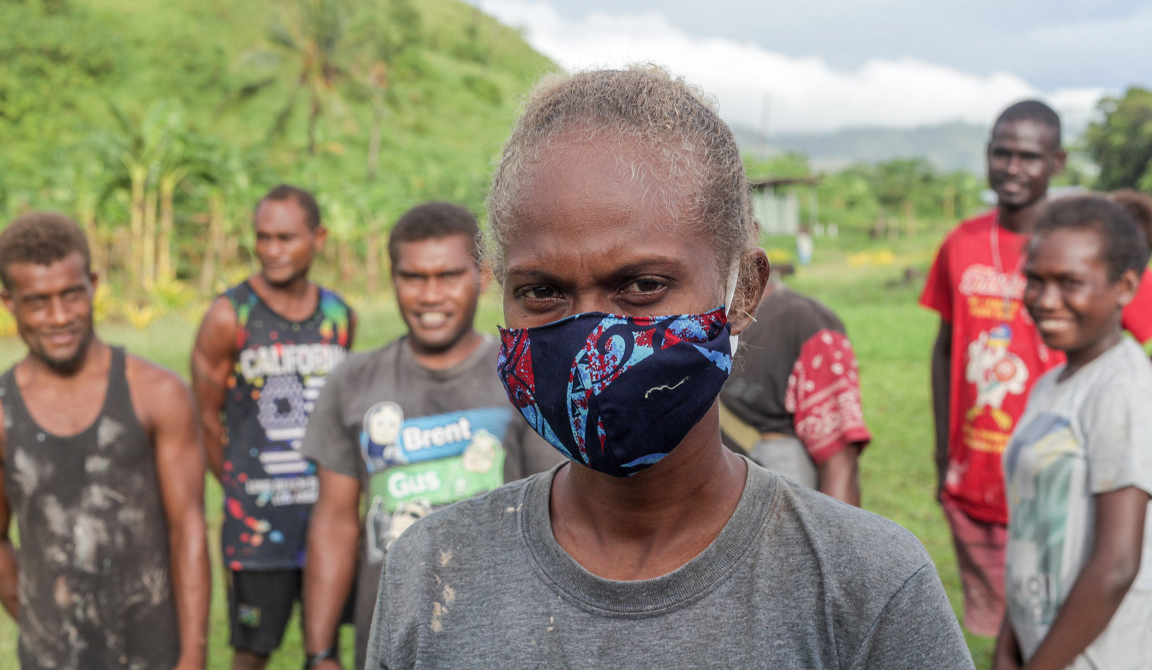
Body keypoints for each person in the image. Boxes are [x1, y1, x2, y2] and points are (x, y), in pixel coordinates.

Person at [366, 67, 972, 669]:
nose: (590, 341)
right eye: (543, 291)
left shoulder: (867, 586)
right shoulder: (431, 571)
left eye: (642, 285)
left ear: (744, 292)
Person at [920, 100, 1152, 636]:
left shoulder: (1082, 249)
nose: (1012, 168)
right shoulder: (962, 244)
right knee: (1007, 625)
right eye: (1001, 154)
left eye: (1028, 156)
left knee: (1067, 617)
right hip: (974, 472)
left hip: (1062, 471)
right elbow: (944, 347)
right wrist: (942, 450)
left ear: (1058, 163)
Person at [300, 201, 553, 669]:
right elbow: (334, 522)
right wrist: (320, 653)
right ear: (392, 278)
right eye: (413, 277)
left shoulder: (524, 376)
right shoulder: (353, 383)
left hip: (508, 638)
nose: (430, 295)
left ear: (482, 275)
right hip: (392, 638)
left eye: (447, 276)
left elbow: (561, 515)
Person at [0, 212, 209, 670]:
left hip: (155, 652)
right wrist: (41, 622)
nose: (59, 317)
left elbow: (188, 529)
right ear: (8, 302)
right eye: (37, 301)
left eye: (71, 295)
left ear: (93, 284)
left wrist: (193, 655)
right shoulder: (3, 414)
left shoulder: (157, 394)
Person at [191, 185, 355, 669]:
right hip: (258, 526)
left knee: (326, 652)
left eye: (286, 238)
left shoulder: (338, 316)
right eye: (263, 238)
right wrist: (242, 490)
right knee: (251, 653)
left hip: (328, 518)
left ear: (318, 237)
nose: (273, 251)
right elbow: (205, 416)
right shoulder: (230, 316)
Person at [994, 195, 1152, 668]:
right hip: (1040, 642)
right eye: (1035, 280)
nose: (1045, 300)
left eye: (1070, 283)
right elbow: (1030, 526)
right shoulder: (1051, 385)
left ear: (1125, 286)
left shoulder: (1123, 389)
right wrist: (1010, 641)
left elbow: (1116, 565)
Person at [720, 276, 870, 505]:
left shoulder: (806, 322)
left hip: (777, 510)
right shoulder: (690, 323)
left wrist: (831, 538)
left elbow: (839, 459)